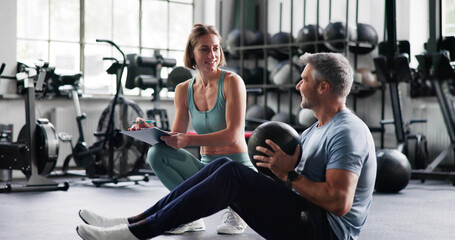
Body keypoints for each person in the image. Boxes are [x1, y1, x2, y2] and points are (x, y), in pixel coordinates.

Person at [76, 52, 377, 240]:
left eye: (304, 80)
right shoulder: (313, 131)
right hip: (304, 215)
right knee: (223, 167)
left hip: (323, 231)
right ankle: (133, 222)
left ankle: (136, 232)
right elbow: (294, 185)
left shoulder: (347, 131)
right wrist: (276, 172)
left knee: (231, 174)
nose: (298, 85)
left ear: (323, 87)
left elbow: (339, 203)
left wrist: (289, 176)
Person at [82, 23, 254, 234]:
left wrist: (188, 140)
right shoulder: (184, 90)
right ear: (192, 53)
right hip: (205, 170)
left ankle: (235, 211)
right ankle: (191, 216)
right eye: (204, 49)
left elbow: (233, 135)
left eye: (216, 48)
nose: (212, 54)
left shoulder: (232, 82)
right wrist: (151, 130)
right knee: (157, 153)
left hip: (236, 172)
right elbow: (175, 138)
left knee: (227, 182)